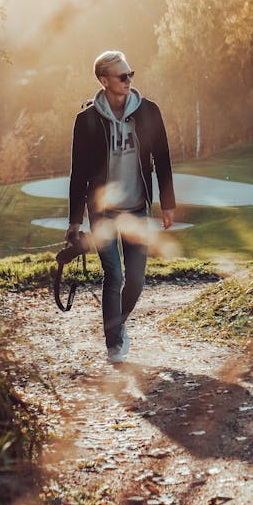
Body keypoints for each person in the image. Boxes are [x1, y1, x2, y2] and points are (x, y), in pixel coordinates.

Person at [66, 50, 176, 363]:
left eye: (130, 74)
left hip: (137, 208)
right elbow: (79, 174)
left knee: (137, 280)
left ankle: (117, 325)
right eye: (122, 76)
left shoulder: (149, 112)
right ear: (104, 81)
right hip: (102, 212)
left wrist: (167, 204)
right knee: (113, 276)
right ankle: (114, 344)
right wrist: (75, 221)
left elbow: (163, 159)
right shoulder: (86, 121)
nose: (129, 81)